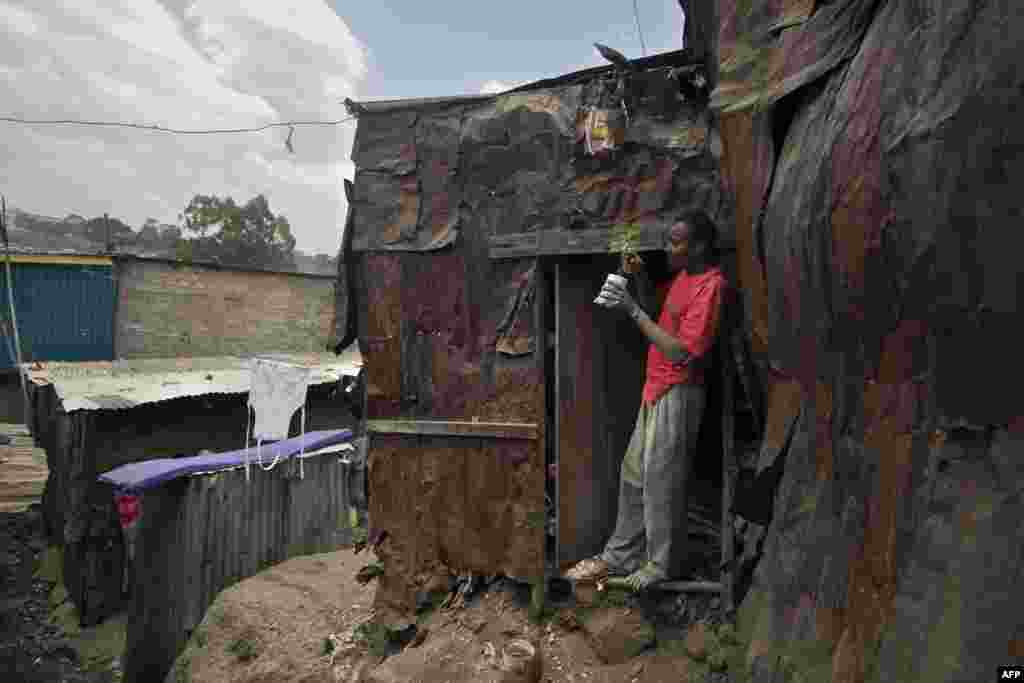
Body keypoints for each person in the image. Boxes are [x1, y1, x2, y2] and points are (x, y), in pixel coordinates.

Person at [566, 209, 726, 591]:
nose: (669, 248)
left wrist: (630, 308)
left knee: (662, 480)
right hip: (655, 388)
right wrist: (637, 279)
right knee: (634, 473)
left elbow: (680, 351)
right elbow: (661, 316)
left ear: (700, 246)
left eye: (677, 241)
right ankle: (619, 556)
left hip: (679, 390)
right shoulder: (684, 278)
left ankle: (659, 565)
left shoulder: (712, 286)